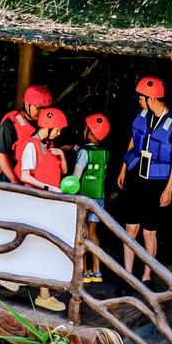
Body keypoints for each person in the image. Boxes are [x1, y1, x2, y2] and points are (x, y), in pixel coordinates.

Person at [114, 75, 172, 284]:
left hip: (157, 183)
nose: (138, 100)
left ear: (151, 98)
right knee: (131, 228)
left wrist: (169, 189)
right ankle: (127, 277)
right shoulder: (142, 115)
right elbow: (133, 139)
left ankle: (146, 277)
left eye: (141, 97)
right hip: (136, 177)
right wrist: (123, 168)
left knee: (149, 232)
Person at [17, 106, 71, 313]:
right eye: (56, 129)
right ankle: (43, 295)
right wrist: (48, 188)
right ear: (47, 127)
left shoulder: (47, 146)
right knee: (40, 244)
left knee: (44, 244)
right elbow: (25, 175)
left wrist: (61, 156)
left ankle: (44, 293)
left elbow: (62, 172)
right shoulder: (31, 145)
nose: (58, 133)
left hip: (49, 203)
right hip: (37, 202)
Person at [72, 113, 114, 285]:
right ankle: (96, 272)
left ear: (90, 132)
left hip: (84, 198)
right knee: (93, 233)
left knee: (80, 233)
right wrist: (74, 148)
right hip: (99, 199)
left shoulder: (83, 152)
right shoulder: (106, 153)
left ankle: (82, 271)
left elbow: (75, 177)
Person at [0, 83, 51, 184]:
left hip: (38, 181)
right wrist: (14, 180)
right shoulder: (10, 124)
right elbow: (0, 154)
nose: (42, 112)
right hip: (13, 179)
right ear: (26, 104)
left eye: (45, 108)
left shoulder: (46, 123)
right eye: (38, 108)